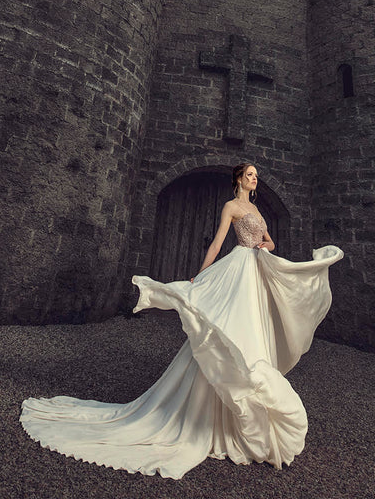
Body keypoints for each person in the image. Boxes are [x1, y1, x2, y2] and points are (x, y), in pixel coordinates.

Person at [20, 163, 343, 480]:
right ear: (238, 180)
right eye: (249, 176)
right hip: (237, 270)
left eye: (256, 176)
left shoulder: (257, 212)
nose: (254, 180)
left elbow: (270, 242)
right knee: (226, 327)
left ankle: (240, 406)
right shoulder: (231, 207)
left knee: (252, 331)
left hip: (256, 272)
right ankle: (207, 408)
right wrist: (201, 275)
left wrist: (264, 245)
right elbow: (218, 243)